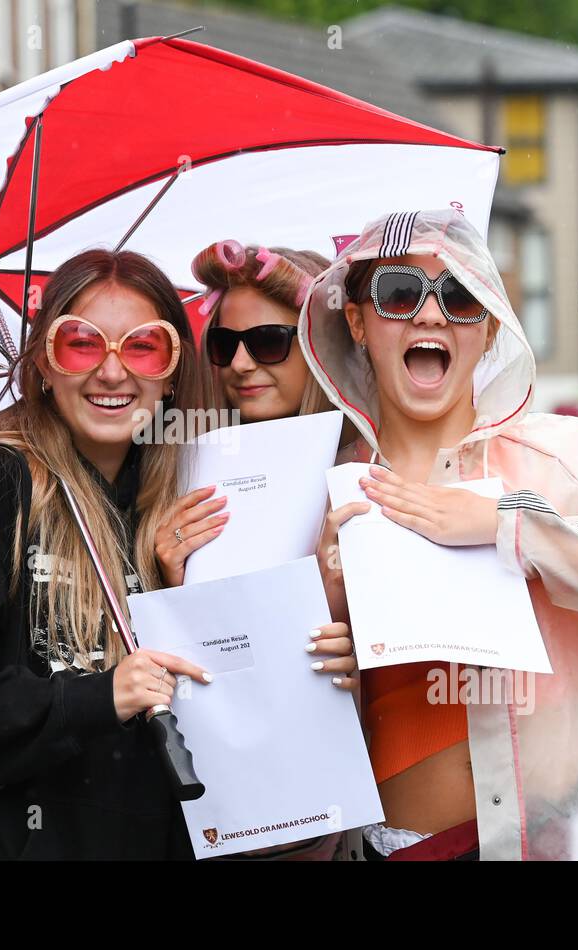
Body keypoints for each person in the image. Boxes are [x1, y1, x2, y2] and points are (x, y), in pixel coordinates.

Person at [303, 208, 578, 860]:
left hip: (571, 843)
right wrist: (325, 606)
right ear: (356, 320)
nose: (431, 315)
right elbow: (289, 736)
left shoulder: (567, 457)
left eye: (460, 297)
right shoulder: (325, 492)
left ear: (490, 326)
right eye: (399, 292)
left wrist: (507, 525)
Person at [0, 248, 213, 859]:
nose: (113, 372)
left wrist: (179, 593)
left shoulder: (178, 507)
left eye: (143, 346)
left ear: (172, 372)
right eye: (82, 344)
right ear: (43, 366)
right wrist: (98, 696)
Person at [155, 239, 356, 861]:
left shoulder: (368, 470)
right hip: (223, 800)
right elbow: (178, 664)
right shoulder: (178, 469)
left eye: (269, 341)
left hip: (341, 804)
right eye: (223, 345)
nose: (240, 363)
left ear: (323, 345)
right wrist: (166, 579)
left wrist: (361, 660)